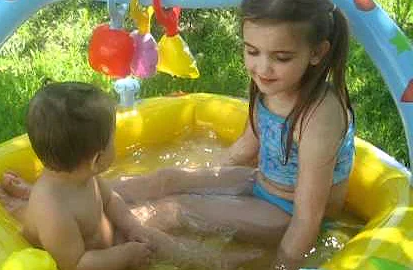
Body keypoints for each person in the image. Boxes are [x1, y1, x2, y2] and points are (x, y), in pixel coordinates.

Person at [113, 0, 355, 269]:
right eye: (252, 51)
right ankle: (89, 196)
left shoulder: (320, 117)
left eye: (281, 57)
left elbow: (309, 217)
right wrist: (206, 177)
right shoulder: (274, 87)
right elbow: (244, 149)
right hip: (261, 183)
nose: (263, 68)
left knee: (174, 211)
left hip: (287, 213)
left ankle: (103, 248)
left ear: (317, 52)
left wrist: (282, 264)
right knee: (165, 179)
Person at [0, 82, 261, 270]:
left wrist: (134, 228)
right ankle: (217, 263)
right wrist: (124, 256)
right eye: (113, 139)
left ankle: (212, 260)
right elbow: (76, 264)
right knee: (159, 249)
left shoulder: (84, 176)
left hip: (109, 245)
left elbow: (111, 202)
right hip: (97, 260)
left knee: (156, 239)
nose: (116, 144)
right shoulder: (54, 210)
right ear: (97, 159)